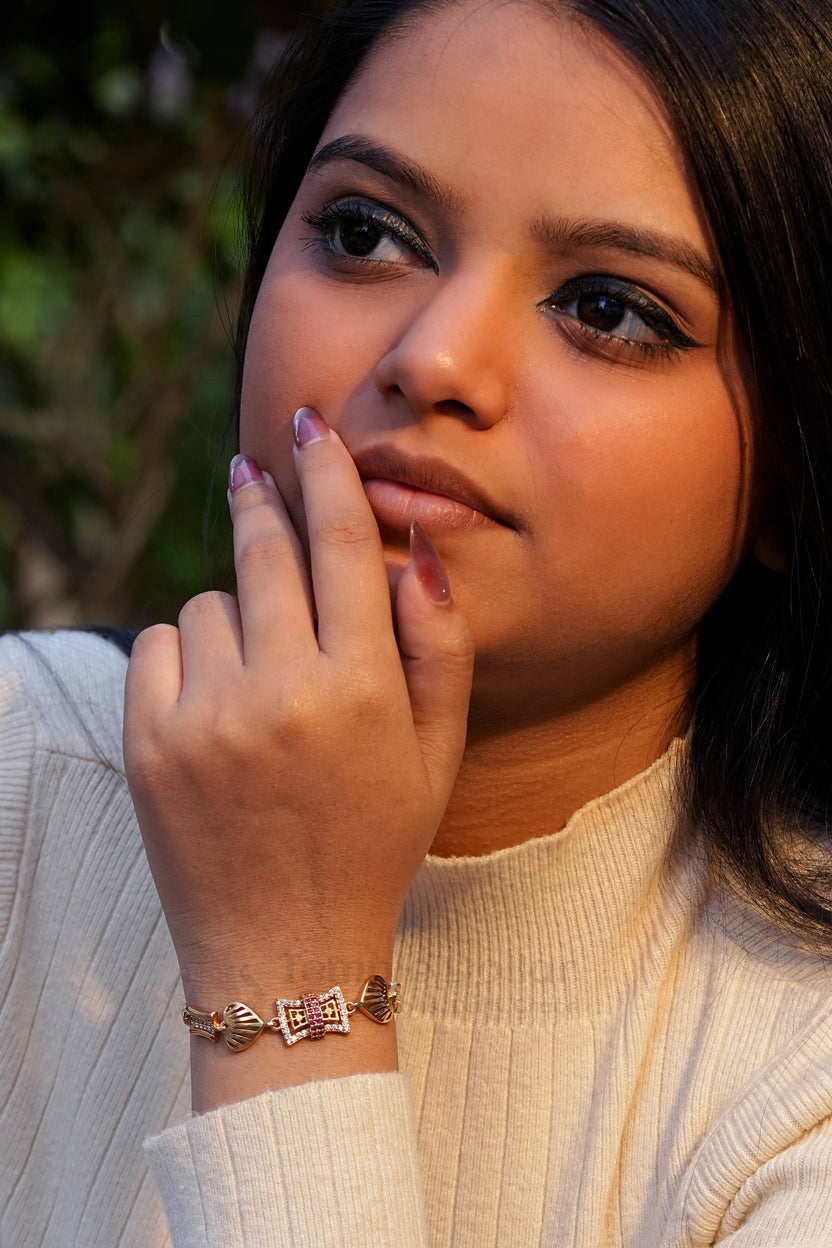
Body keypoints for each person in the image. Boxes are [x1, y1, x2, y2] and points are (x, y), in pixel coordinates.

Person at [3, 0, 832, 1243]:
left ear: (793, 477)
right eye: (365, 231)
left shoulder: (795, 1081)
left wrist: (294, 987)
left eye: (607, 309)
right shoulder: (24, 771)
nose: (435, 357)